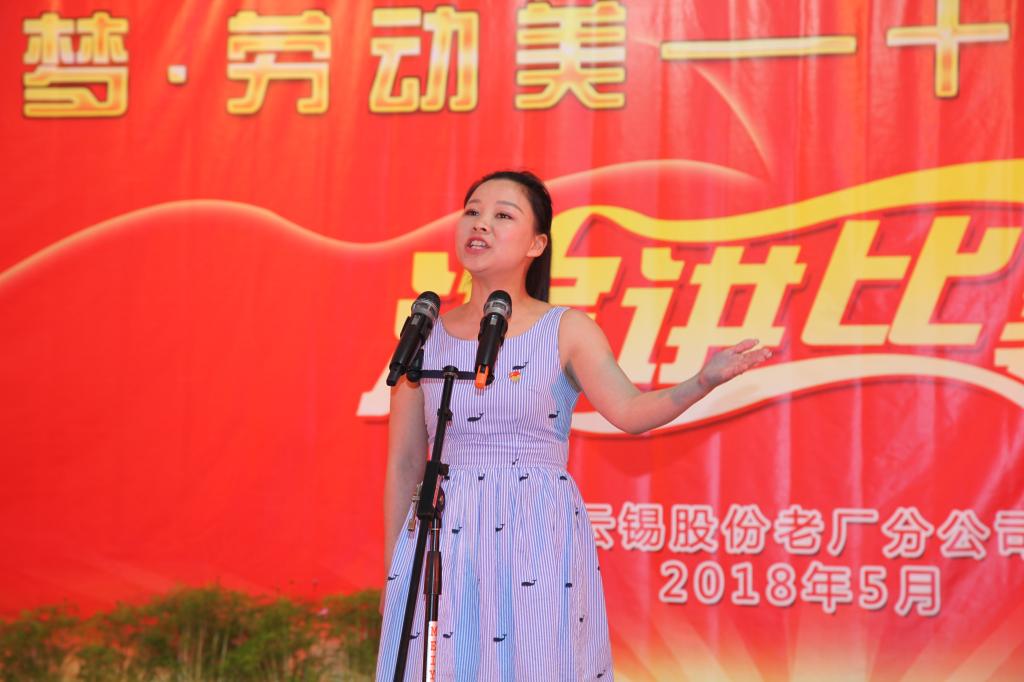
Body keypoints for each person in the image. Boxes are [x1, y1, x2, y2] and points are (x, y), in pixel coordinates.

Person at [376, 170, 771, 681]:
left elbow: (630, 411)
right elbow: (406, 461)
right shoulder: (424, 334)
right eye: (472, 211)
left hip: (534, 529)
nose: (481, 224)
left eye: (502, 215)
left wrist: (703, 380)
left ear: (536, 244)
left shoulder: (565, 329)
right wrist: (394, 569)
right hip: (441, 534)